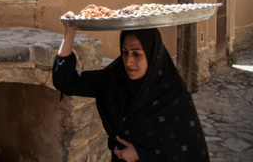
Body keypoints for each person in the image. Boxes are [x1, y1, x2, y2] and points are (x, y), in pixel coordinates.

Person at [52, 13, 210, 162]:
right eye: (124, 52)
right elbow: (65, 81)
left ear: (152, 54)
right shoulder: (113, 79)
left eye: (137, 54)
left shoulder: (172, 91)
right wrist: (70, 32)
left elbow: (190, 149)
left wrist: (142, 154)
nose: (128, 62)